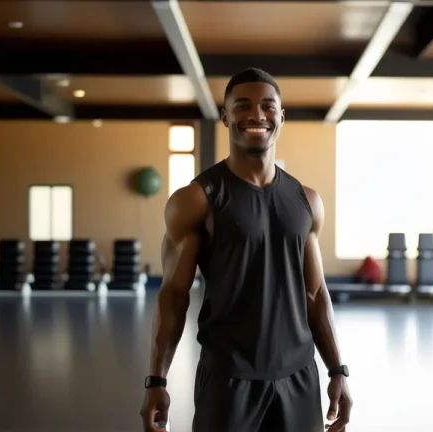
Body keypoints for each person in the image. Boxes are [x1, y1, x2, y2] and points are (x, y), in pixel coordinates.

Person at [139, 68, 352, 432]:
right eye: (242, 106)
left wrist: (337, 370)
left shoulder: (307, 200)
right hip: (228, 379)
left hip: (300, 376)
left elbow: (315, 293)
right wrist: (156, 381)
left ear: (281, 117)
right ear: (225, 117)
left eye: (268, 106)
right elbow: (173, 296)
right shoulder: (196, 200)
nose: (256, 115)